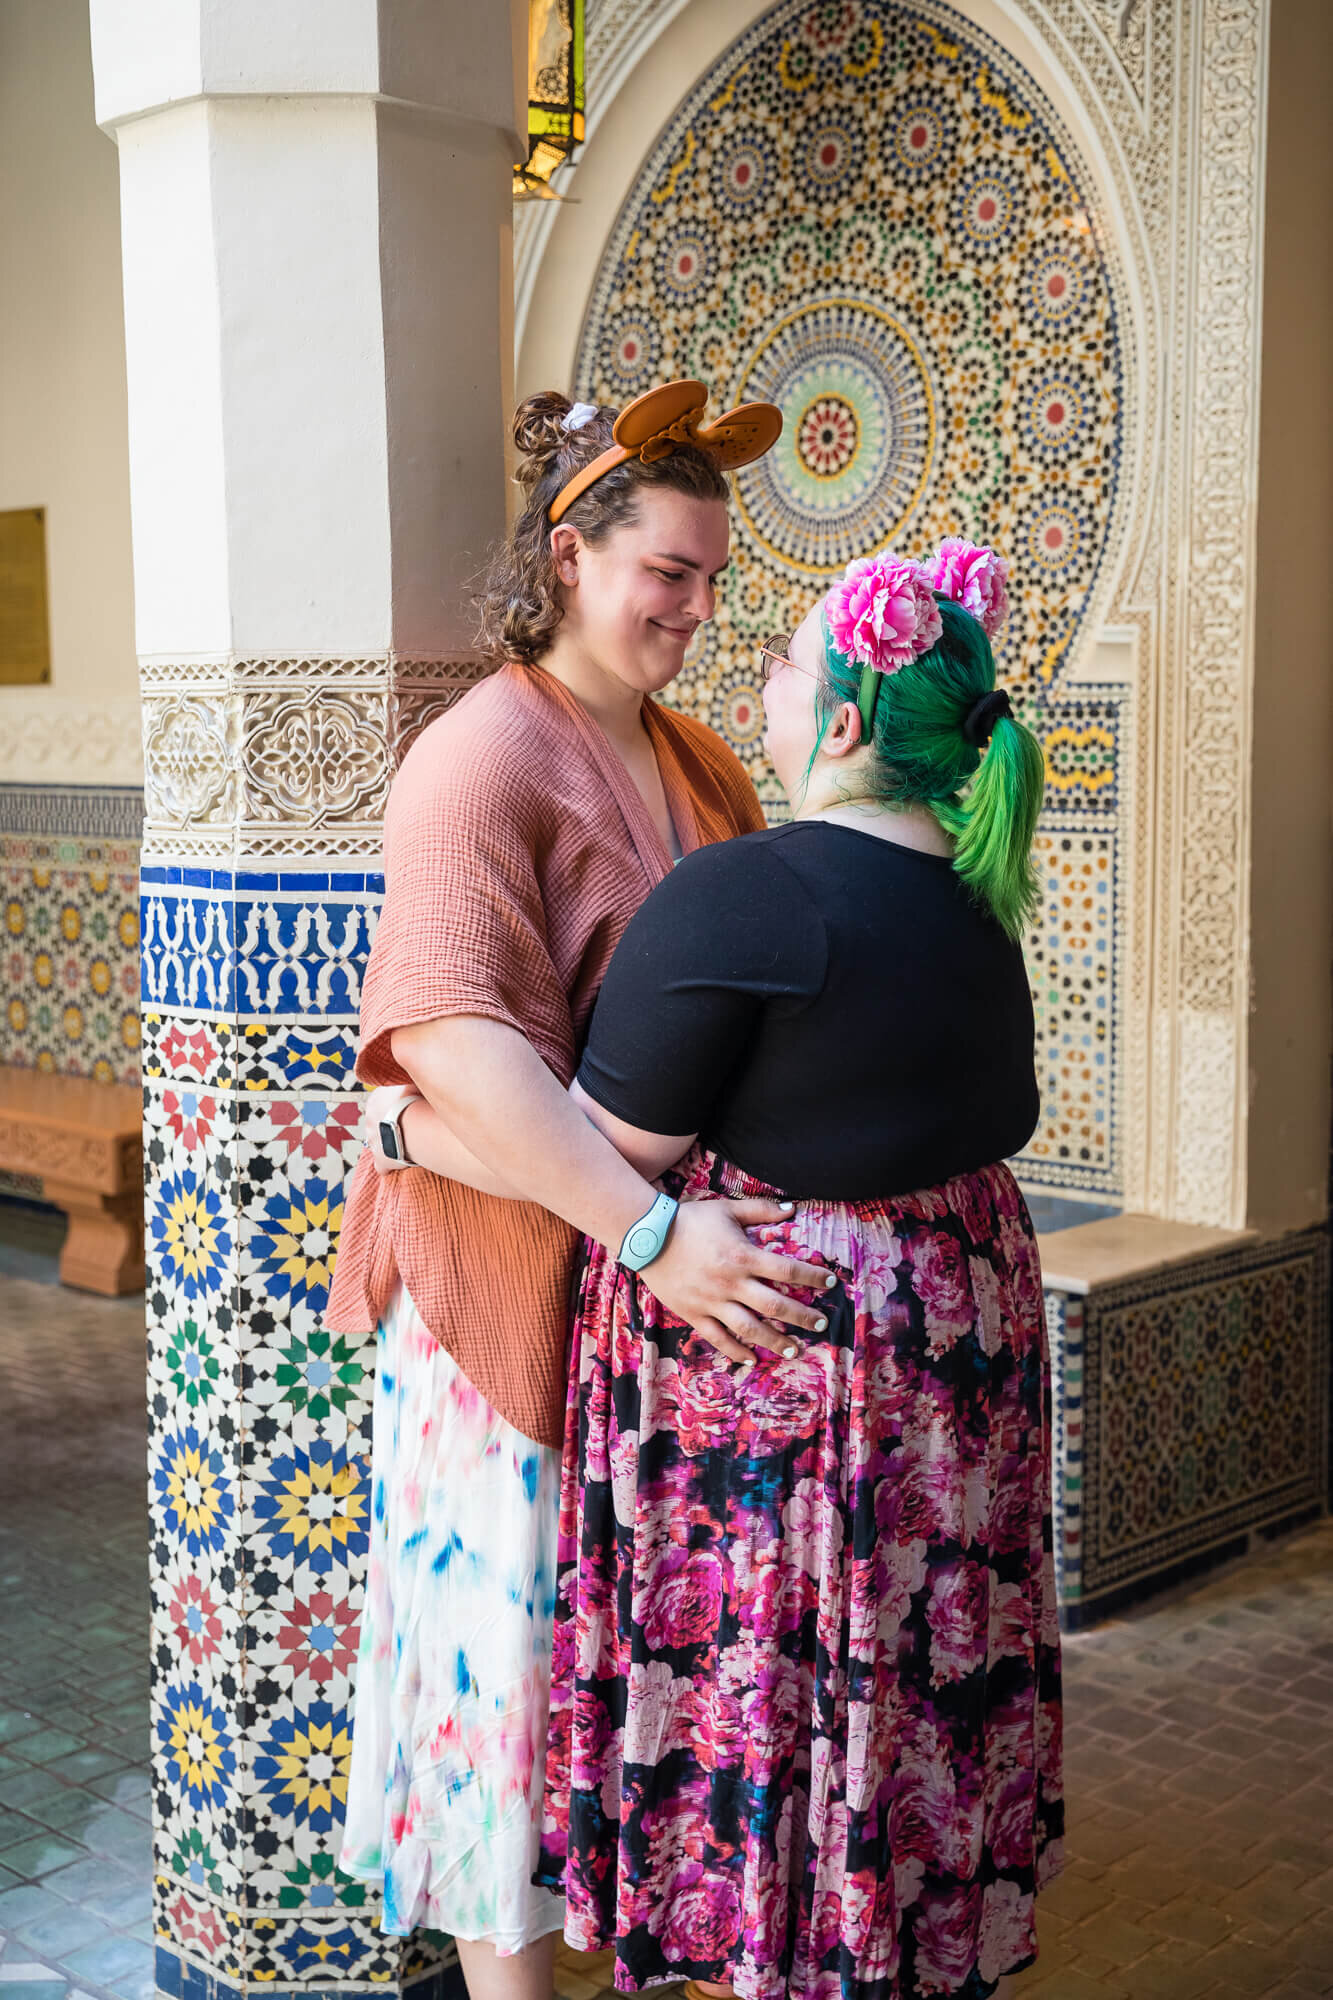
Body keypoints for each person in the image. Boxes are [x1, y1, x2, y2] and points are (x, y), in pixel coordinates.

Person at [377, 540, 1064, 1999]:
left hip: (791, 1397)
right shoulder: (976, 898)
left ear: (846, 726)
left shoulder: (744, 892)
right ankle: (893, 1940)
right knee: (897, 1685)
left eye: (787, 660)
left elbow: (590, 1147)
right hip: (943, 1371)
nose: (750, 667)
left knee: (791, 1693)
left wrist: (401, 1122)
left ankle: (773, 1950)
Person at [325, 379, 835, 1997]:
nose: (692, 607)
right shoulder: (478, 758)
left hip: (638, 1314)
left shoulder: (687, 756)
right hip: (504, 1306)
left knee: (621, 1697)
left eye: (706, 577)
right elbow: (459, 1052)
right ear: (569, 555)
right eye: (663, 574)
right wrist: (658, 1229)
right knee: (503, 1705)